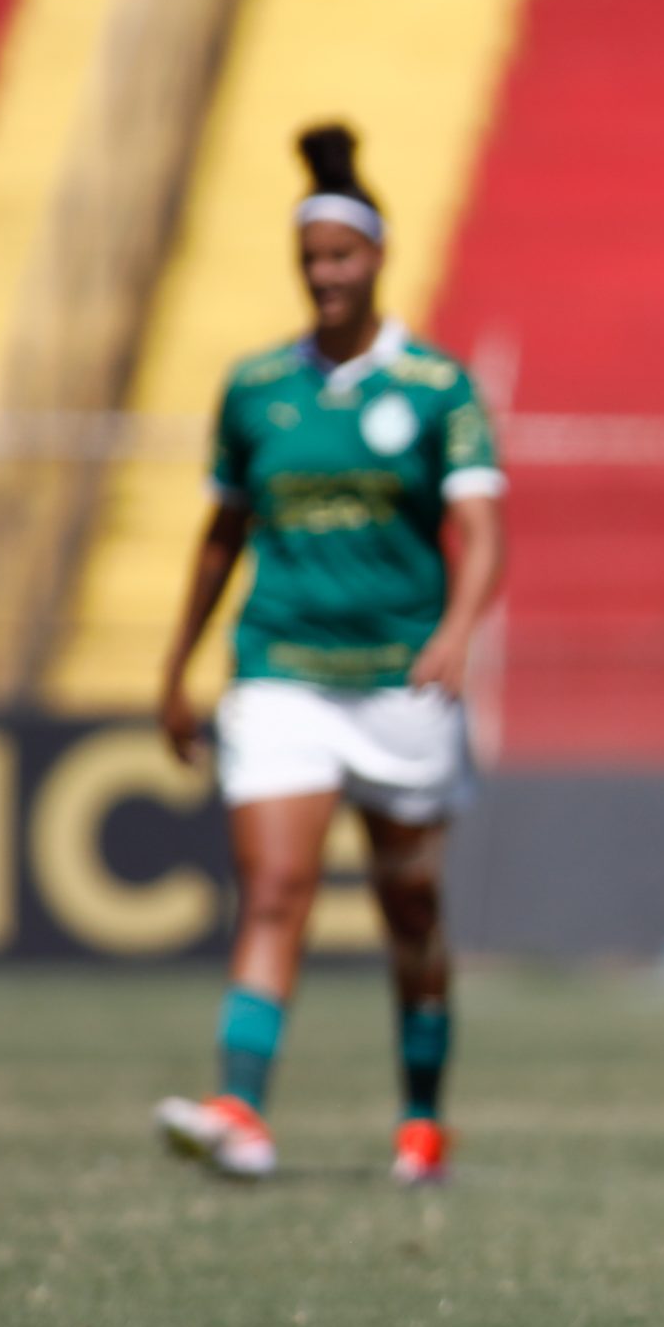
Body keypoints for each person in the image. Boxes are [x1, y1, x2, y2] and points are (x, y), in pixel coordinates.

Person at [153, 123, 506, 1185]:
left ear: (378, 258)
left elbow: (483, 530)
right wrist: (177, 666)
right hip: (280, 673)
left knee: (409, 908)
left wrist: (455, 633)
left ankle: (421, 1123)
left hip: (403, 680)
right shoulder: (256, 388)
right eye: (310, 258)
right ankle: (240, 1111)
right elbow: (219, 537)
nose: (325, 276)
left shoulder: (437, 387)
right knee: (275, 890)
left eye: (341, 256)